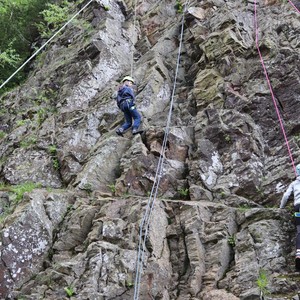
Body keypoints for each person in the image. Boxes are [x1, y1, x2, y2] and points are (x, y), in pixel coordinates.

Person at [280, 164, 300, 262]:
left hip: (298, 209)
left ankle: (298, 253)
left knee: (299, 231)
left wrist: (281, 207)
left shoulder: (293, 184)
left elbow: (285, 196)